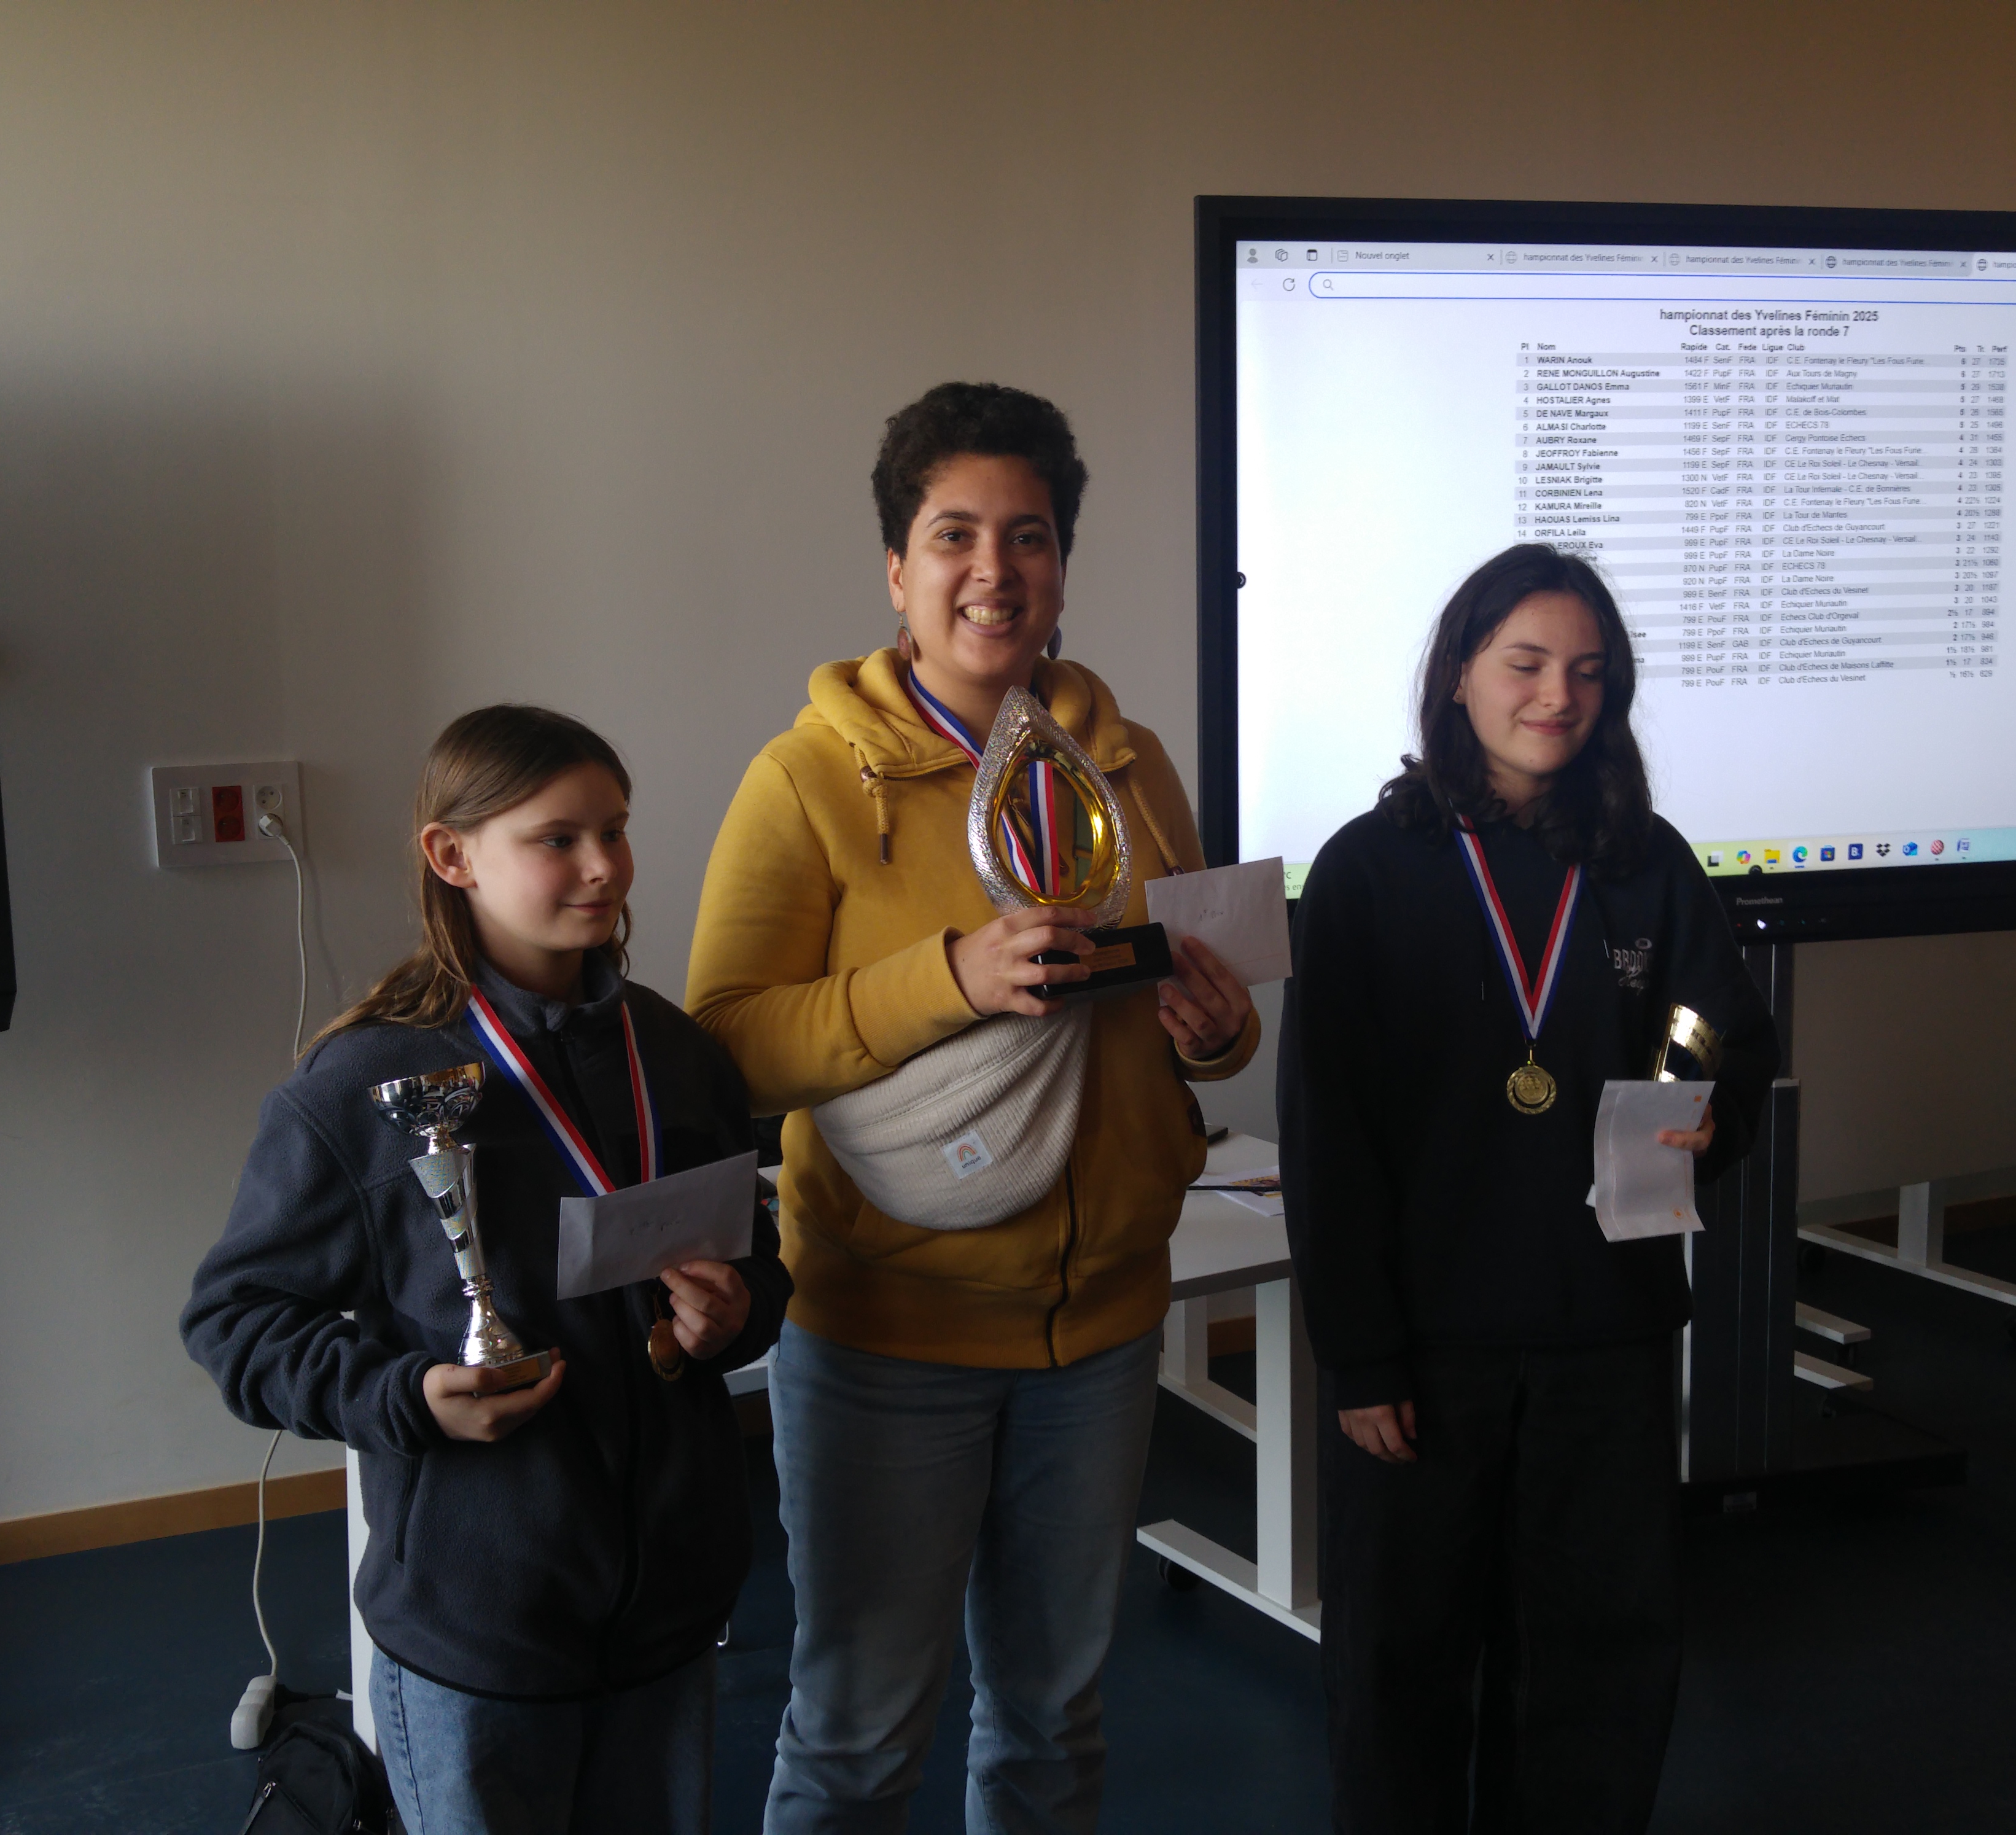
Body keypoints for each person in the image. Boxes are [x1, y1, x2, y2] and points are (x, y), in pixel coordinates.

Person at [685, 381, 1258, 1834]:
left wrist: (1214, 1031)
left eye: (1030, 536)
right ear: (896, 568)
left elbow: (1191, 1009)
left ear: (1064, 566)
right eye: (954, 535)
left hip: (1106, 1331)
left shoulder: (1131, 769)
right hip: (888, 1341)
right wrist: (947, 976)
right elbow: (730, 1051)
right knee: (861, 1735)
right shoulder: (806, 782)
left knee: (1055, 1724)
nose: (992, 571)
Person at [181, 705, 789, 1835]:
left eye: (616, 829)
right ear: (451, 857)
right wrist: (404, 1398)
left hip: (668, 1617)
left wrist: (740, 1315)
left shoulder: (680, 1057)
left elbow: (759, 1256)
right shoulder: (359, 1089)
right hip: (478, 1635)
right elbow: (237, 1322)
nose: (605, 866)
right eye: (557, 839)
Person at [1278, 544, 1772, 1834]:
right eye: (1526, 664)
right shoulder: (1365, 871)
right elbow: (1327, 1129)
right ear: (1457, 677)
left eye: (1588, 673)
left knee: (1598, 1665)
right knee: (1401, 1667)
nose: (1557, 696)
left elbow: (1718, 1030)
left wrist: (1696, 1109)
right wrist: (1361, 1354)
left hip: (1603, 1334)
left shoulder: (1644, 861)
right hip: (1426, 1355)